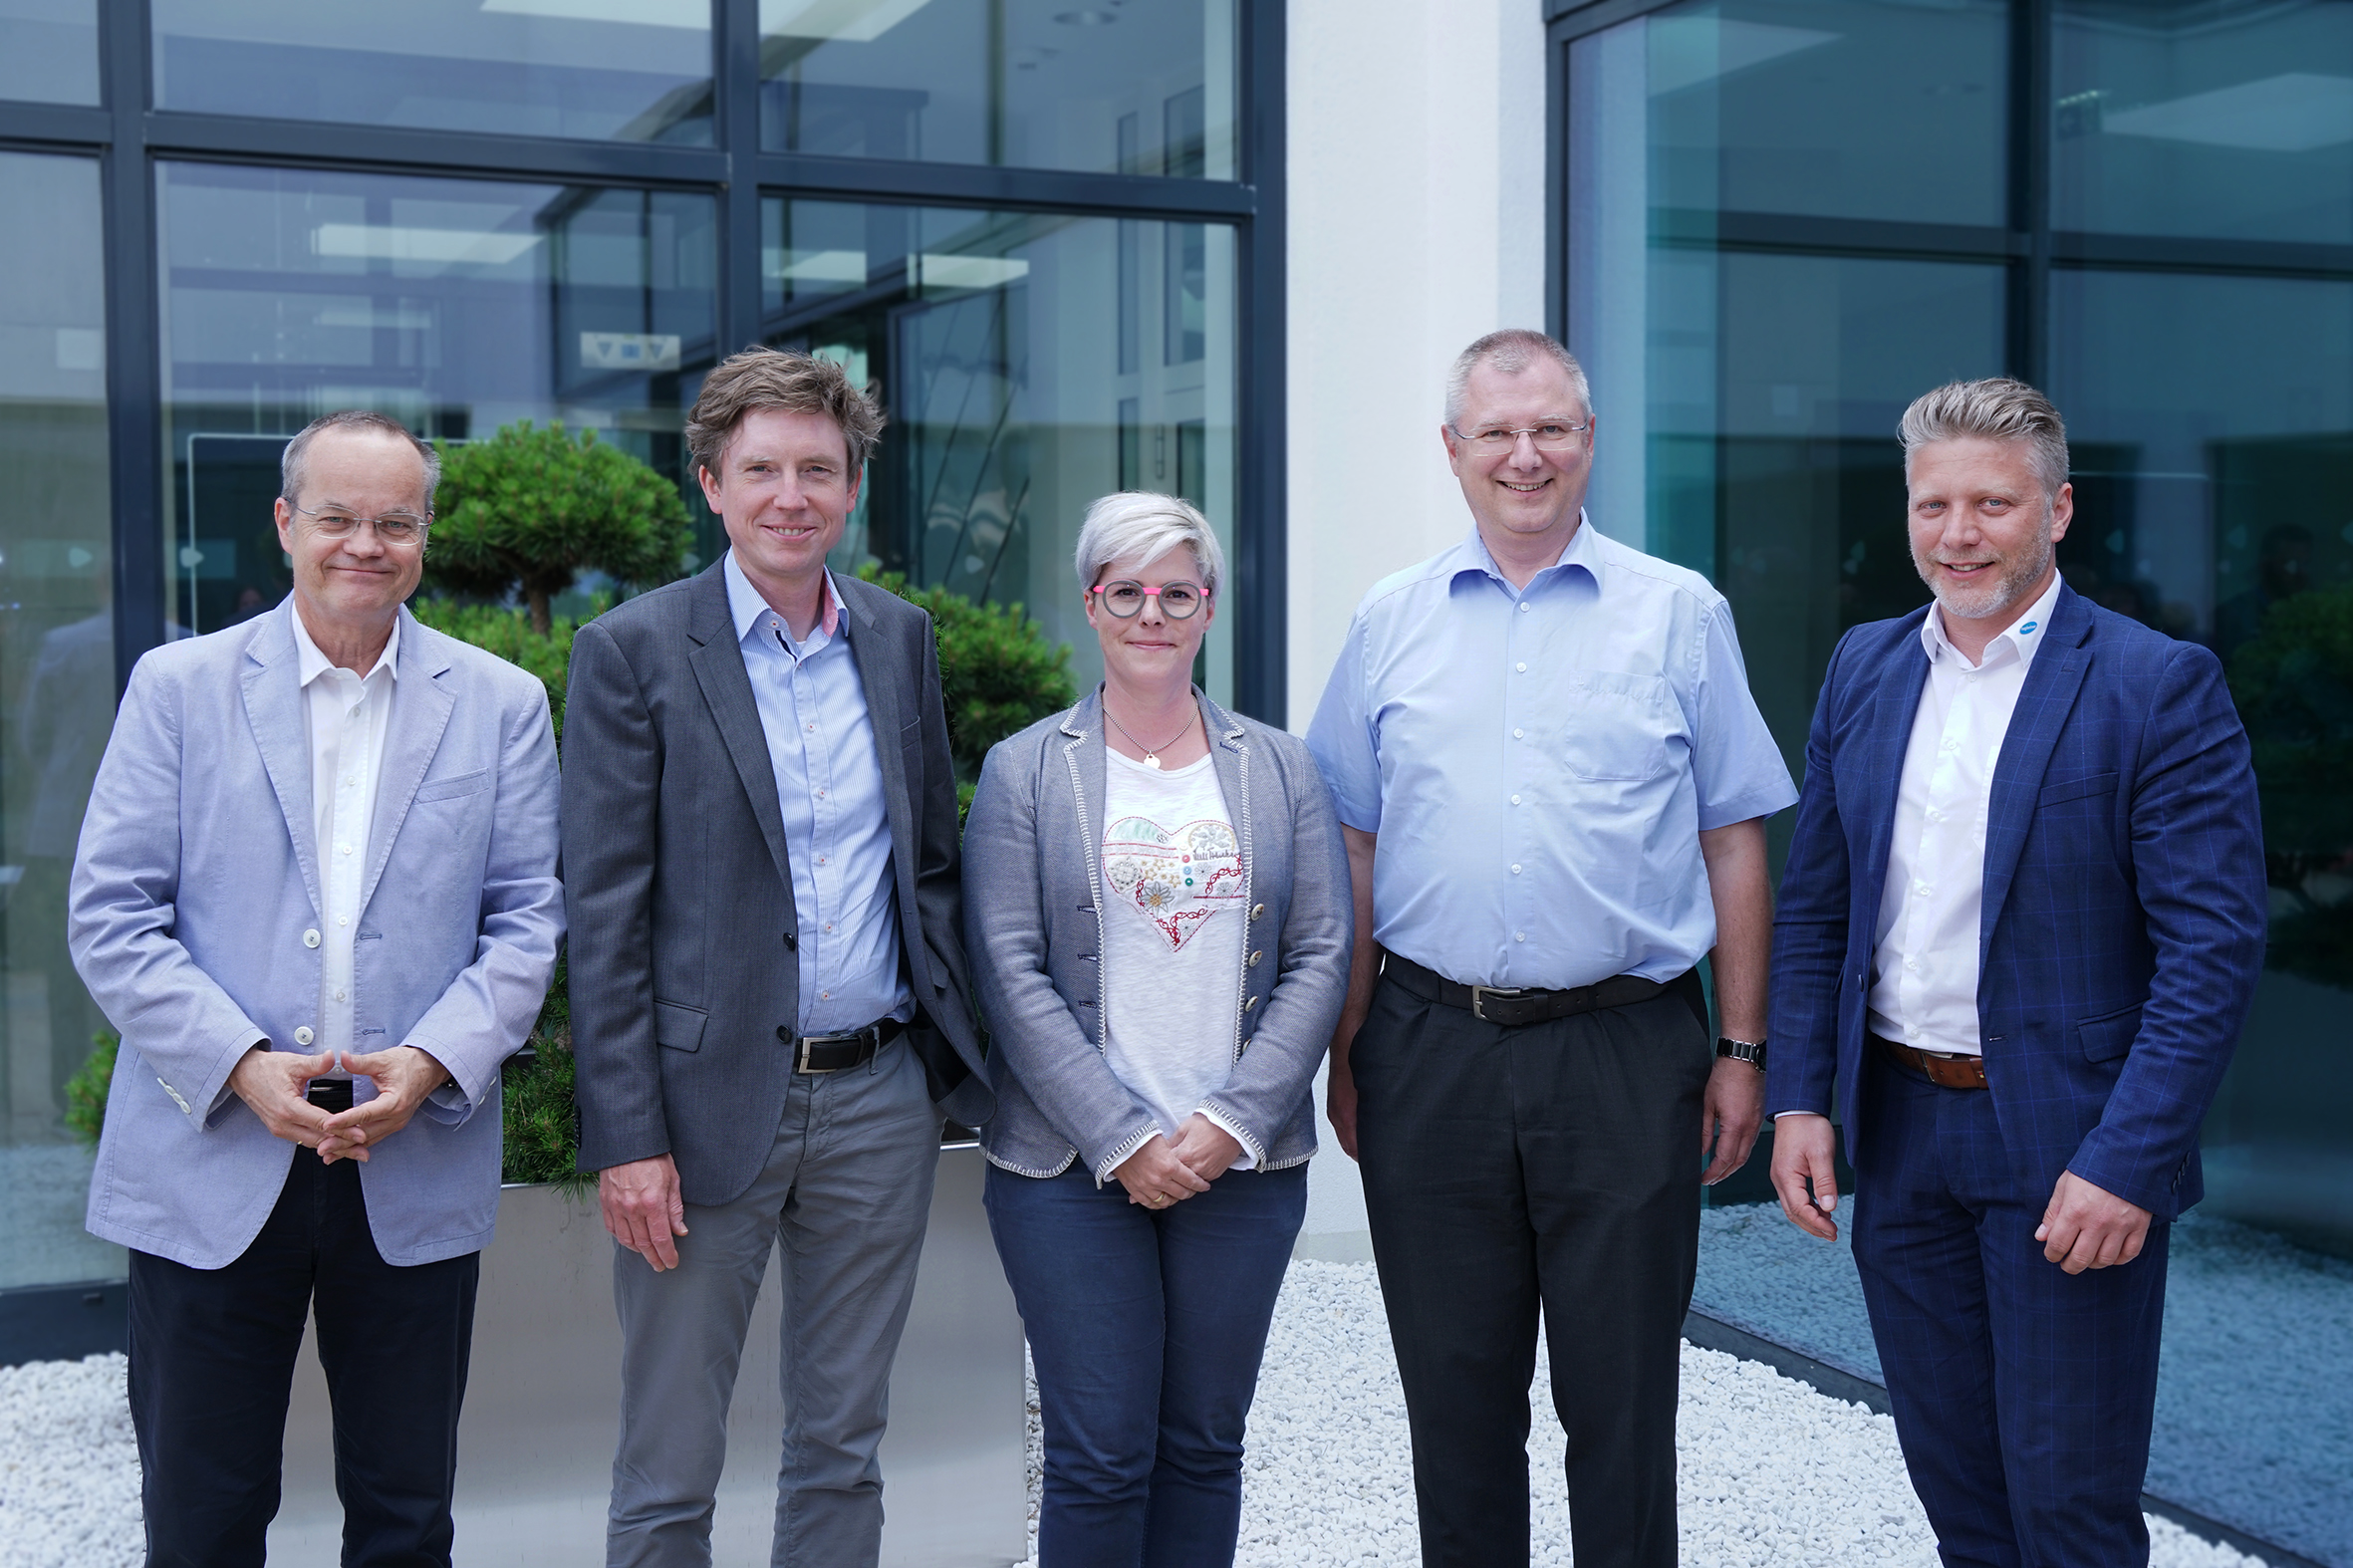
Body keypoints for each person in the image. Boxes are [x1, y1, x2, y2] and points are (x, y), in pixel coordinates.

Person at [1305, 329, 1797, 1568]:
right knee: (1454, 1403)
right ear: (1453, 448)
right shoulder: (1389, 618)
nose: (1524, 456)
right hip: (1428, 1044)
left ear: (1589, 439)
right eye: (1497, 432)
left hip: (1626, 1050)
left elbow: (1733, 837)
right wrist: (1348, 1045)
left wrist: (1742, 1048)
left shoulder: (1679, 612)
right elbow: (1350, 843)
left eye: (1550, 430)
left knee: (1622, 1404)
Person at [1766, 378, 2267, 1567]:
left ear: (2057, 510)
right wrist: (1799, 1097)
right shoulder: (1864, 666)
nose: (1957, 533)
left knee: (2068, 1503)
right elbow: (1818, 907)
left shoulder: (2153, 683)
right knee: (1960, 1490)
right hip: (1900, 1133)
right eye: (1931, 505)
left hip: (2068, 1145)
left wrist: (2127, 1159)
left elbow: (2210, 950)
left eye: (1991, 503)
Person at [69, 408, 564, 1562]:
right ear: (287, 522)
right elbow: (110, 912)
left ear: (425, 534)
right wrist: (241, 1065)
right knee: (201, 1515)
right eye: (338, 517)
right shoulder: (177, 686)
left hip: (411, 1151)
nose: (366, 544)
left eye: (396, 521)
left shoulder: (500, 701)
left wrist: (430, 1061)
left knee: (406, 1515)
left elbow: (529, 919)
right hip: (210, 1150)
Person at [563, 346, 992, 1568]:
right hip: (699, 1115)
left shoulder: (899, 638)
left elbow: (930, 862)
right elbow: (603, 915)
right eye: (760, 469)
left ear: (851, 485)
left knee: (844, 1441)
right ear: (711, 483)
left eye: (817, 468)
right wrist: (627, 1135)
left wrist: (940, 1064)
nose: (790, 495)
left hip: (878, 1101)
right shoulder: (632, 651)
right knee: (669, 1460)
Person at [963, 492, 1352, 1567]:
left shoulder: (1280, 767)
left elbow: (1323, 951)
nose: (1151, 613)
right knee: (1098, 1454)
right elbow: (1006, 966)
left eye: (1176, 593)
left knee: (1203, 1446)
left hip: (1242, 1164)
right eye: (1126, 591)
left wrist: (1231, 1122)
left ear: (1208, 607)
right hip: (1066, 1169)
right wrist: (1123, 1135)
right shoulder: (1025, 768)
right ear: (1091, 603)